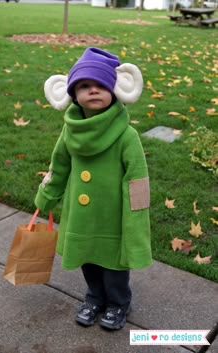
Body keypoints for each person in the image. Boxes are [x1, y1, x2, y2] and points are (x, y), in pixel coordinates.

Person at [34, 47, 152, 330]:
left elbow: (137, 178)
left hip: (113, 216)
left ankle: (118, 303)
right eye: (85, 85)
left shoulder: (126, 134)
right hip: (82, 216)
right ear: (73, 94)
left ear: (115, 88)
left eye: (101, 84)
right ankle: (94, 298)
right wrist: (46, 197)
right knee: (88, 259)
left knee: (113, 266)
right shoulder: (70, 131)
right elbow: (58, 166)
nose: (94, 90)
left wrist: (136, 220)